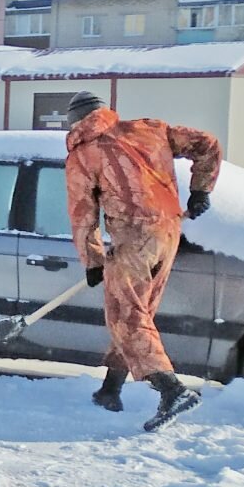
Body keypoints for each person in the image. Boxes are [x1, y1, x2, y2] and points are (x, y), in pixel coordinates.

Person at [64, 91, 221, 432]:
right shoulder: (149, 129)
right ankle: (110, 390)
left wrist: (91, 260)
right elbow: (207, 143)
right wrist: (200, 191)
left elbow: (82, 215)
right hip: (168, 231)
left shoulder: (84, 154)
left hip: (133, 238)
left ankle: (171, 389)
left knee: (125, 315)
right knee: (139, 314)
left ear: (75, 120)